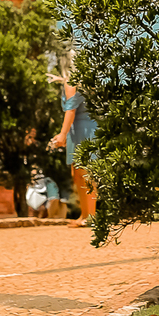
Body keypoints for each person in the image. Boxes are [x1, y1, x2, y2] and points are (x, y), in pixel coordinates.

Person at [49, 55, 98, 227]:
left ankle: (90, 216)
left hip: (82, 130)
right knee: (79, 175)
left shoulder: (71, 83)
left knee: (84, 175)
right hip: (81, 128)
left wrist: (62, 134)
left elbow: (70, 110)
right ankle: (85, 215)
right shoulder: (79, 82)